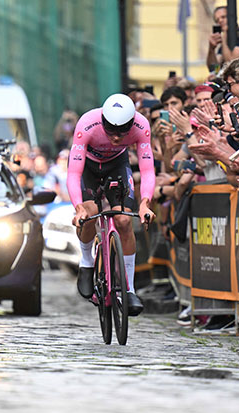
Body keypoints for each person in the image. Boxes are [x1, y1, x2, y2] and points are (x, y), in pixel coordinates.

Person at [67, 93, 156, 316]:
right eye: (111, 130)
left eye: (122, 132)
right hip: (88, 167)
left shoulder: (141, 125)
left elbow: (146, 170)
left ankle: (130, 289)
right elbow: (73, 172)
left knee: (124, 220)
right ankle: (87, 260)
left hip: (117, 164)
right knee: (89, 214)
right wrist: (78, 207)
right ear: (104, 121)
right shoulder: (87, 123)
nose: (116, 138)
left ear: (131, 123)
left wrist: (145, 203)